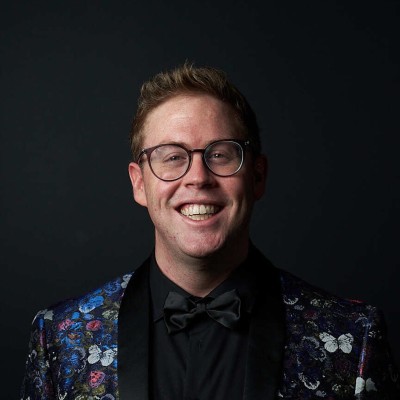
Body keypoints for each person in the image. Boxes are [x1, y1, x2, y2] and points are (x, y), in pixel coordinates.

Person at [20, 62, 400, 400]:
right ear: (139, 184)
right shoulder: (59, 338)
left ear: (258, 176)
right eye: (172, 157)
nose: (198, 178)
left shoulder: (354, 339)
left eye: (220, 154)